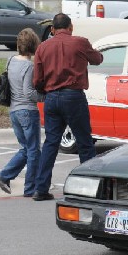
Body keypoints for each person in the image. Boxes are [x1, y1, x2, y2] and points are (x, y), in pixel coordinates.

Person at [32, 13, 103, 201]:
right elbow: (97, 59)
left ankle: (41, 188)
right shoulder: (80, 43)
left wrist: (46, 90)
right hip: (73, 96)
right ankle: (88, 188)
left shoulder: (42, 47)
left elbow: (37, 80)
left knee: (51, 143)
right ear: (70, 27)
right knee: (84, 142)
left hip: (52, 98)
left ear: (53, 29)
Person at [0, 28, 45, 197]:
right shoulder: (29, 66)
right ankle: (30, 188)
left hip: (14, 111)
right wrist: (45, 97)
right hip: (27, 111)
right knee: (33, 151)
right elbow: (28, 92)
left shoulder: (10, 61)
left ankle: (4, 175)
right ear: (33, 45)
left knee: (26, 148)